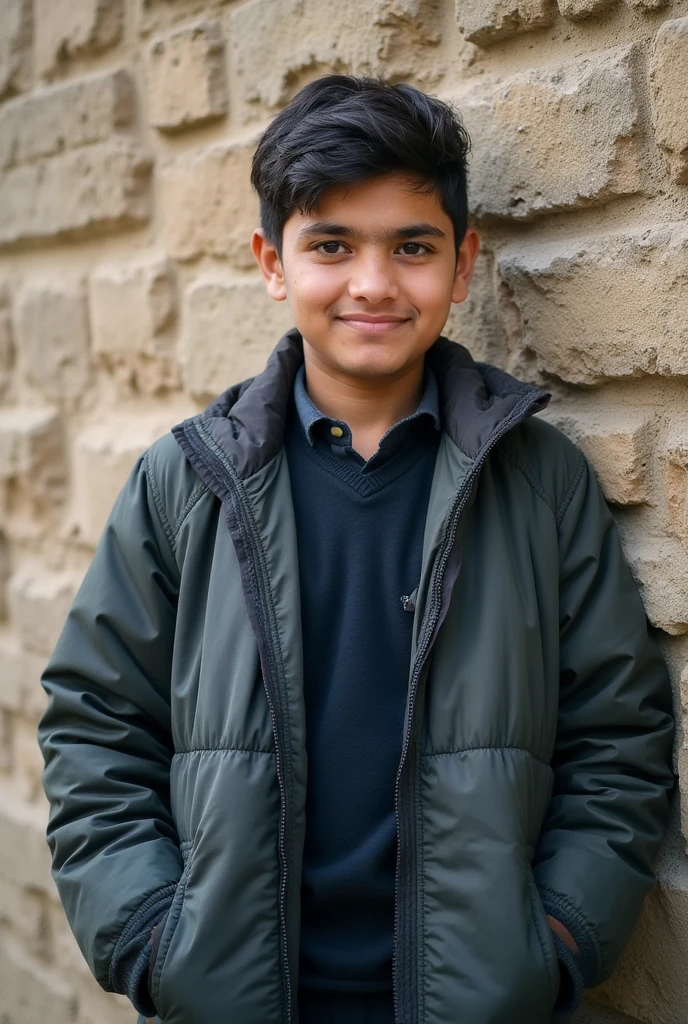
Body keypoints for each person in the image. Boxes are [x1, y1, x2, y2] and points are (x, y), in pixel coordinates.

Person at [37, 74, 675, 1024]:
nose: (373, 283)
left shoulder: (539, 481)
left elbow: (618, 736)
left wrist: (559, 939)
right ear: (272, 261)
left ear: (461, 266)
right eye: (332, 245)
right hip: (238, 996)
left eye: (411, 248)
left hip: (474, 999)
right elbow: (95, 727)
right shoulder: (183, 482)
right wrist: (150, 940)